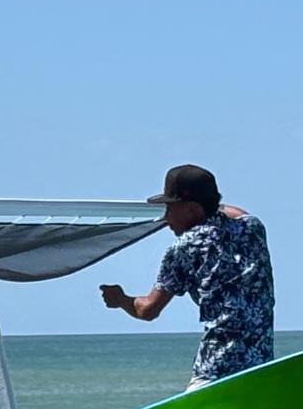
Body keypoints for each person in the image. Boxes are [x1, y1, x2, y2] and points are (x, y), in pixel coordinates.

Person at [99, 164, 274, 388]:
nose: (165, 217)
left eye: (169, 208)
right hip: (259, 367)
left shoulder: (184, 247)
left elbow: (147, 310)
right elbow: (234, 212)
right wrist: (205, 205)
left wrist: (120, 299)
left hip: (216, 370)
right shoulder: (252, 228)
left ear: (192, 210)